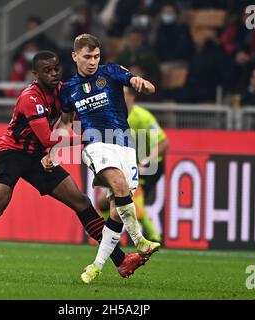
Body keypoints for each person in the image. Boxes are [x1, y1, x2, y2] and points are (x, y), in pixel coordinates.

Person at [0, 51, 147, 280]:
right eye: (47, 70)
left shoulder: (63, 90)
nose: (54, 74)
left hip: (38, 158)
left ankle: (121, 261)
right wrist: (89, 137)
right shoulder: (30, 98)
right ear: (36, 74)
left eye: (56, 68)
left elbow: (67, 123)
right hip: (12, 154)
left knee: (81, 202)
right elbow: (48, 138)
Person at [48, 34, 160, 284]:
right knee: (119, 185)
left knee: (116, 211)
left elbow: (150, 88)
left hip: (125, 146)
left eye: (96, 56)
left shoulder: (112, 72)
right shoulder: (68, 89)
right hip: (96, 145)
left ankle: (96, 266)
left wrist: (142, 83)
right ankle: (140, 241)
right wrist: (57, 144)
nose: (92, 62)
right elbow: (66, 123)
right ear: (75, 56)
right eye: (87, 57)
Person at [97, 87, 168, 242]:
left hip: (149, 166)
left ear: (132, 98)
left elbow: (163, 143)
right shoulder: (111, 118)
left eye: (123, 95)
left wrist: (146, 161)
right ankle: (105, 235)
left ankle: (155, 236)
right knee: (102, 202)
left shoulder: (143, 117)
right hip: (128, 166)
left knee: (131, 199)